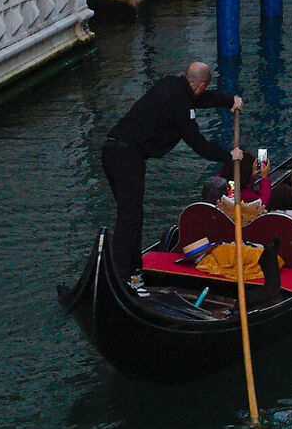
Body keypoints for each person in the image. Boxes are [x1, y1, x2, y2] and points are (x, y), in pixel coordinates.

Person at [102, 61, 243, 291]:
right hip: (126, 156)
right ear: (200, 84)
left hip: (113, 152)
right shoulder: (181, 104)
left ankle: (132, 272)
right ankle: (122, 276)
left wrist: (229, 101)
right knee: (130, 217)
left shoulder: (172, 85)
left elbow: (201, 99)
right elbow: (198, 144)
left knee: (131, 216)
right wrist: (229, 155)